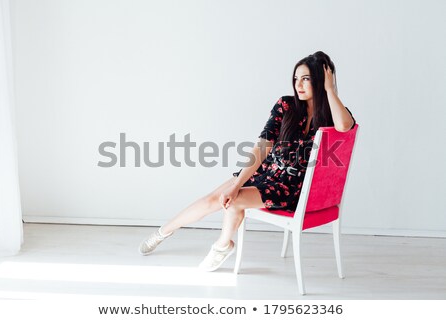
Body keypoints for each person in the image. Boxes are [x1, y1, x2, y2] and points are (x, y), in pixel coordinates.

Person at [138, 51, 356, 272]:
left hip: (290, 187)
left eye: (306, 79)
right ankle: (163, 232)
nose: (298, 85)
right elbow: (262, 146)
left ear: (321, 80)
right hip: (266, 172)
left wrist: (329, 89)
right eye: (296, 79)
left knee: (233, 200)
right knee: (215, 198)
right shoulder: (286, 105)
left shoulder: (330, 114)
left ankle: (222, 245)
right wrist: (237, 182)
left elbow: (345, 126)